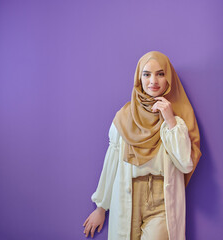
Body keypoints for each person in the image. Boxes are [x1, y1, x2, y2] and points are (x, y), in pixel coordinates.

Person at [83, 51, 201, 240]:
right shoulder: (124, 117)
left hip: (162, 200)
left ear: (168, 78)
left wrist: (170, 120)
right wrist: (101, 207)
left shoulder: (177, 119)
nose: (153, 80)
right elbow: (111, 163)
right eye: (146, 74)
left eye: (160, 74)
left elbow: (186, 163)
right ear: (139, 78)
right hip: (126, 195)